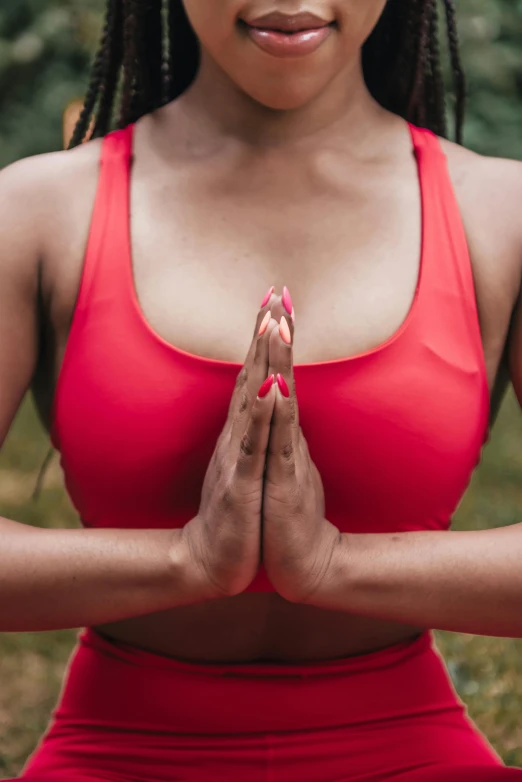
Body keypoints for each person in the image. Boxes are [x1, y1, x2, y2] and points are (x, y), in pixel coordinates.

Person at [1, 0, 522, 779]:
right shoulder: (37, 211)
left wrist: (332, 565)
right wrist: (186, 561)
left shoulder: (501, 214)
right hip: (117, 750)